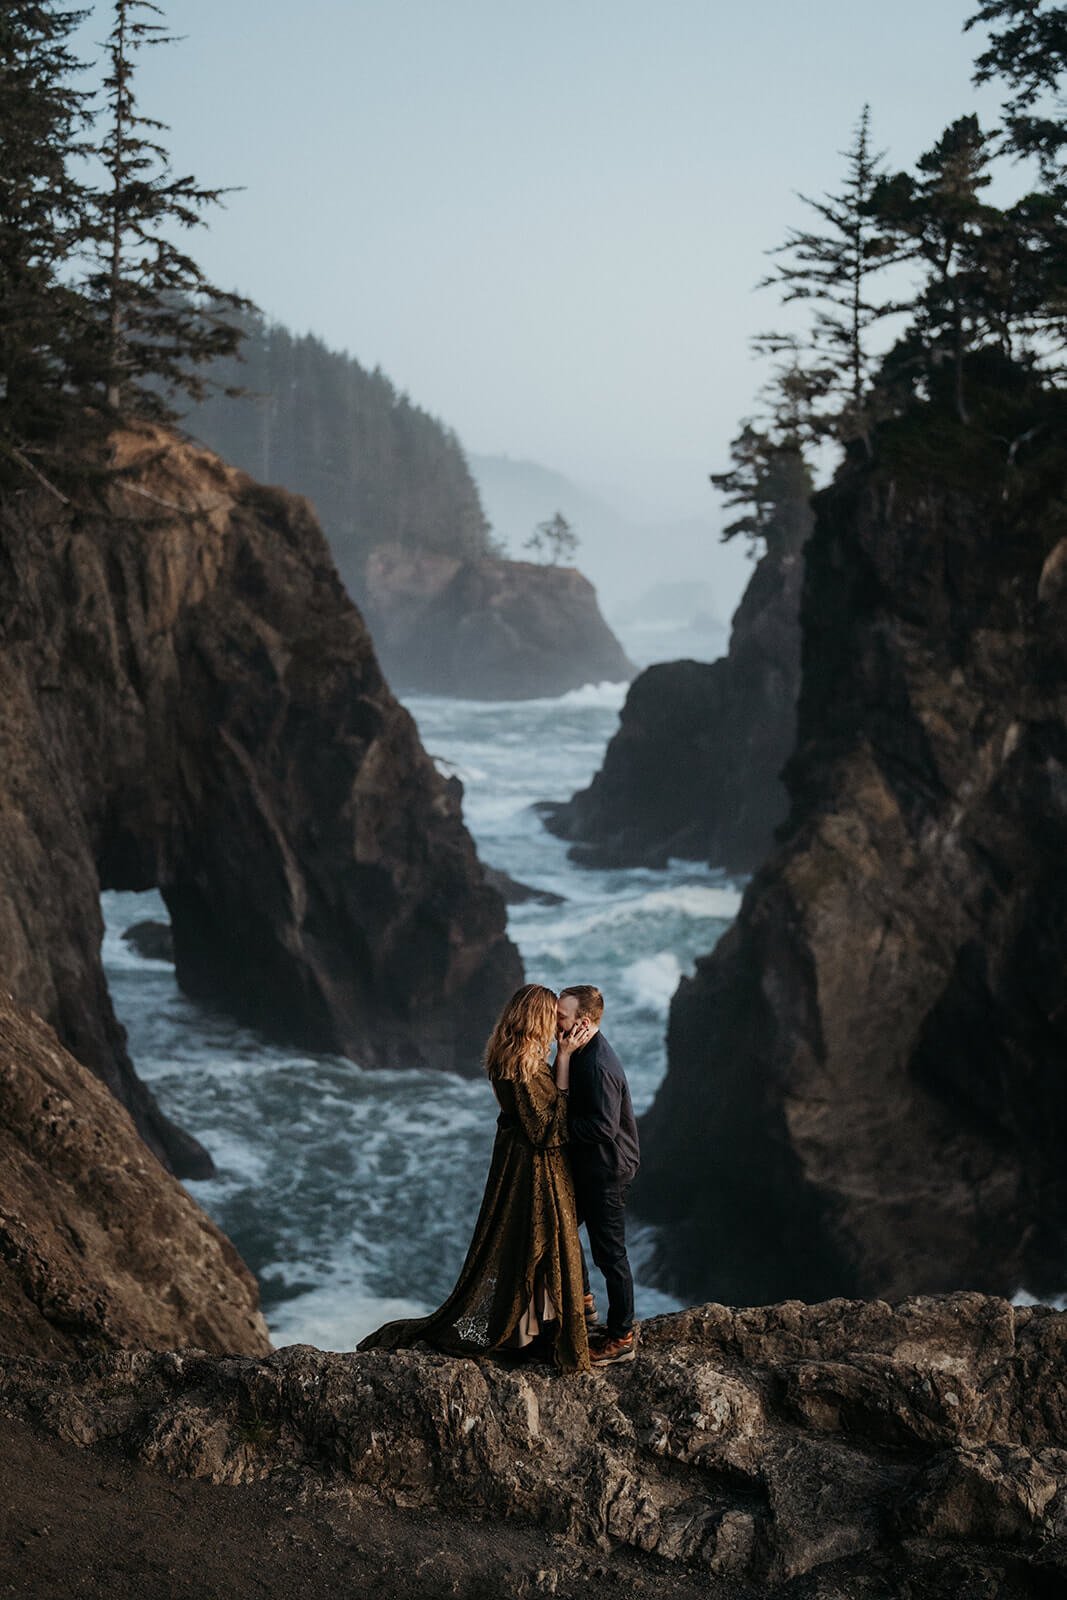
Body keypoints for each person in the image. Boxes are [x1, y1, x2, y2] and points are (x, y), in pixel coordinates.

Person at [357, 984, 591, 1374]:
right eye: (552, 1015)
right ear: (536, 1018)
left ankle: (531, 1331)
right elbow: (547, 1130)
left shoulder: (516, 1055)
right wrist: (565, 1063)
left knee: (528, 1246)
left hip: (520, 1166)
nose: (557, 1024)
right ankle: (531, 1333)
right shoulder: (523, 1066)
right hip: (531, 1171)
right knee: (535, 1244)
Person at [555, 984, 640, 1366]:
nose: (553, 1020)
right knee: (562, 1229)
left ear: (582, 1022)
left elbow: (604, 1127)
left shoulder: (598, 1064)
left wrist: (556, 1129)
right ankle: (585, 1302)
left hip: (607, 1170)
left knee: (610, 1255)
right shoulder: (580, 1052)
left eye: (560, 1015)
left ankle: (622, 1336)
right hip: (592, 1166)